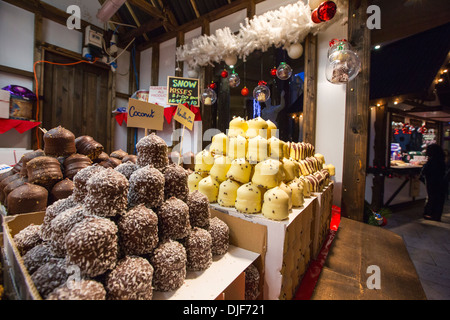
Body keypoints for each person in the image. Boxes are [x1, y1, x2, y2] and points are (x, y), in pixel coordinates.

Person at [421, 144, 446, 221]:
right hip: (441, 182)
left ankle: (429, 214)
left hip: (432, 182)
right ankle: (437, 215)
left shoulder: (432, 160)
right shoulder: (441, 160)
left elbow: (425, 171)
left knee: (432, 198)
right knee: (439, 199)